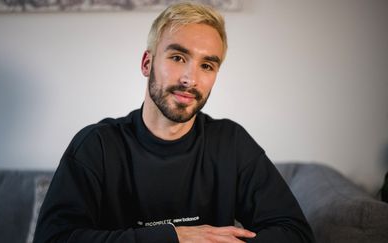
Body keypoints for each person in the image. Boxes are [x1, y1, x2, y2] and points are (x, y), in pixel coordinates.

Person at [33, 2, 315, 243]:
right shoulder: (97, 145)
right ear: (147, 63)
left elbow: (296, 233)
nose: (190, 79)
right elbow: (53, 238)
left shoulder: (231, 142)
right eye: (178, 57)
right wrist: (174, 237)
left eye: (207, 65)